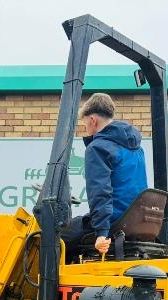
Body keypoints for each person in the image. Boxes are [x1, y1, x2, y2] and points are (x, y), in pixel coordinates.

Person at [62, 93, 148, 259]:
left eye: (85, 122)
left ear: (93, 120)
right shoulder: (137, 148)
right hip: (134, 220)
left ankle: (48, 285)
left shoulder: (97, 148)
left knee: (55, 237)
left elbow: (100, 191)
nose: (86, 127)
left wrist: (102, 232)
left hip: (113, 222)